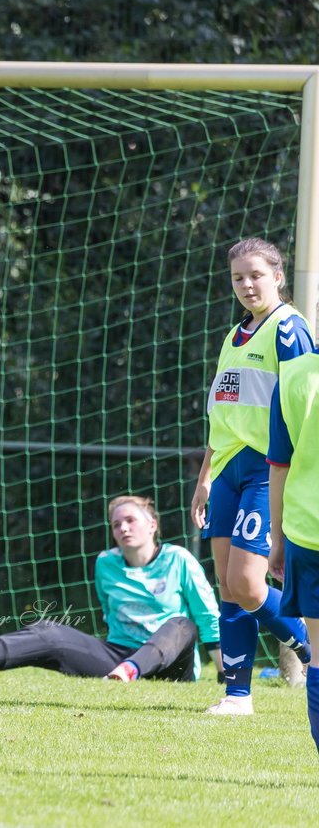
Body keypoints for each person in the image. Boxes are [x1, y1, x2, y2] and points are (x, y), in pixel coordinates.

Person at [190, 237, 312, 715]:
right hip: (225, 471)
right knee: (226, 583)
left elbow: (304, 410)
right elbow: (222, 418)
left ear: (278, 276)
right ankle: (237, 695)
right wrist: (204, 476)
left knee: (247, 580)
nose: (246, 284)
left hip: (268, 469)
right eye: (238, 277)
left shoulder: (289, 330)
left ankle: (306, 642)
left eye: (255, 275)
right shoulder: (232, 336)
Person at [0, 495, 222, 682]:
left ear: (153, 525)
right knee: (47, 631)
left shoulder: (178, 559)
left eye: (130, 521)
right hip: (117, 658)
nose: (124, 529)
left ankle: (131, 671)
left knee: (182, 624)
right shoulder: (105, 564)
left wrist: (224, 673)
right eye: (116, 524)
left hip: (169, 665)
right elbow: (109, 612)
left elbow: (208, 617)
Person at [267, 348, 319, 755]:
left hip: (307, 530)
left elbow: (279, 467)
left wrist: (279, 539)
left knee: (318, 654)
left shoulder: (292, 375)